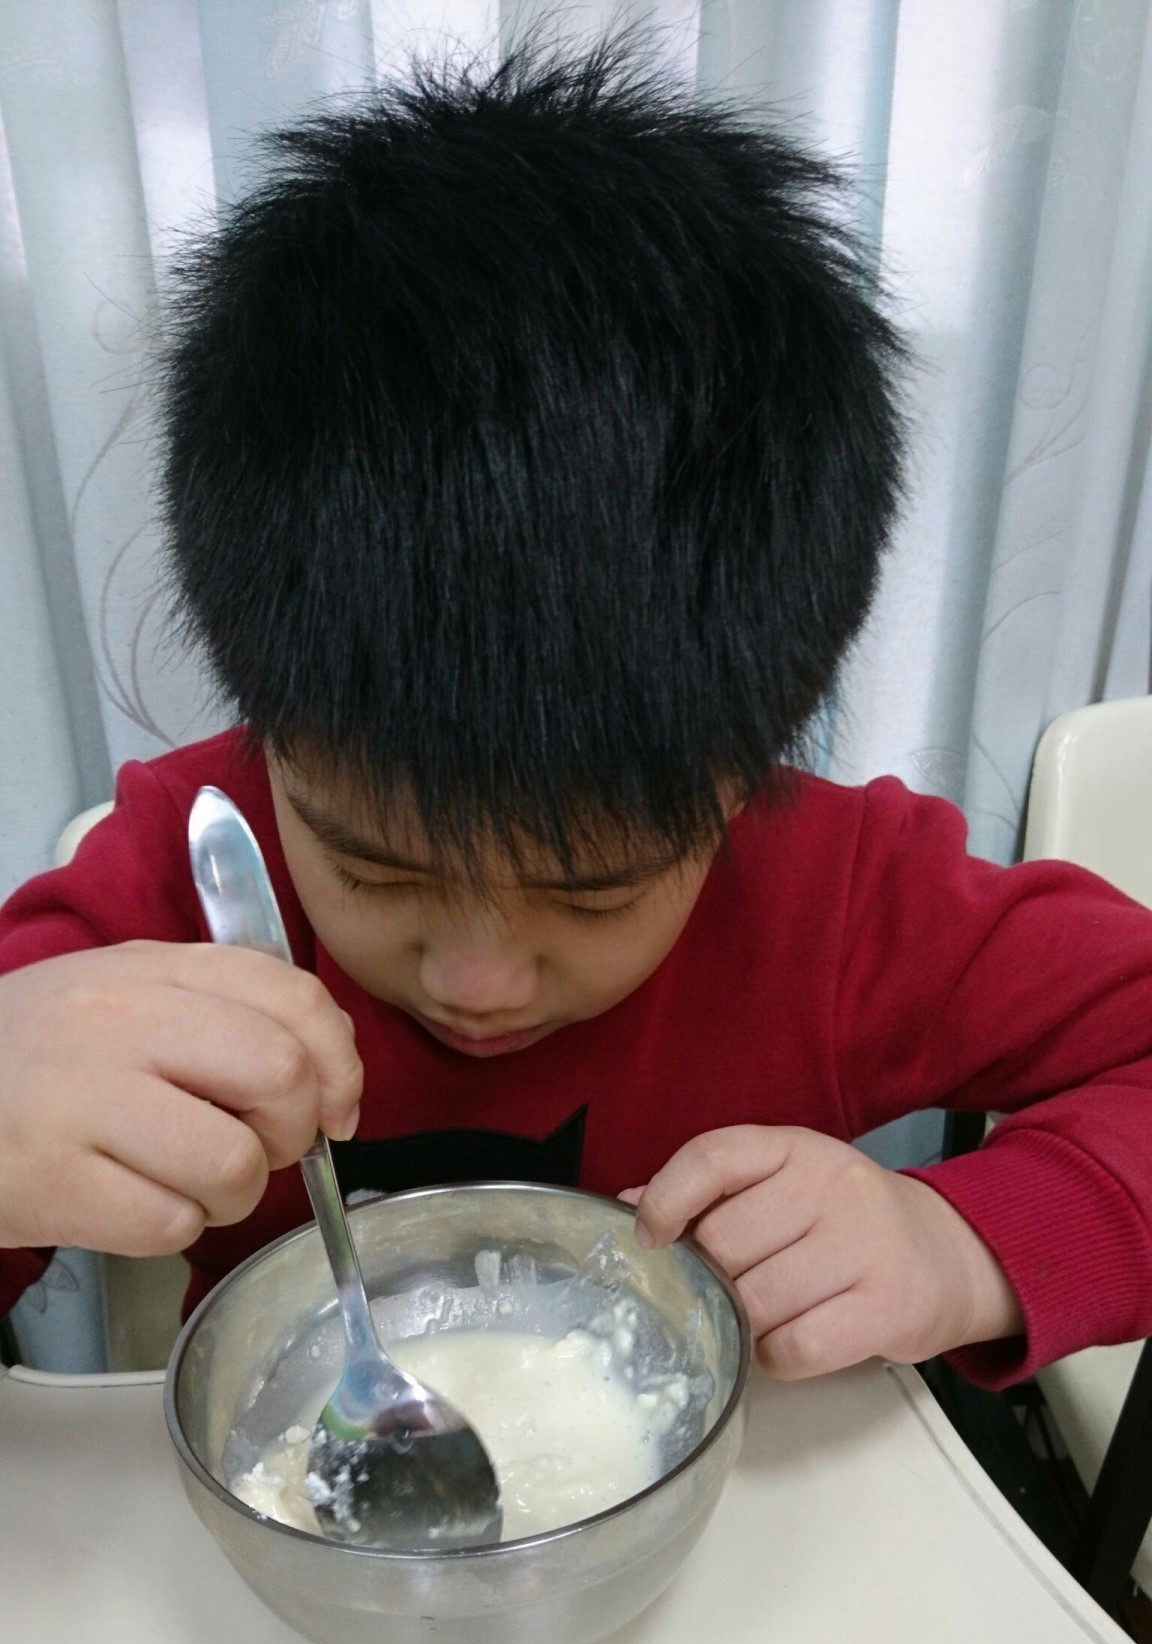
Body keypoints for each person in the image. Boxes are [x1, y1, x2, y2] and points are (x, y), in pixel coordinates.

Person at [2, 42, 1151, 1390]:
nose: (476, 981)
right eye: (376, 870)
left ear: (741, 778)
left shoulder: (840, 898)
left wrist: (957, 1244)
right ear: (273, 730)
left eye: (593, 893)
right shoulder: (184, 879)